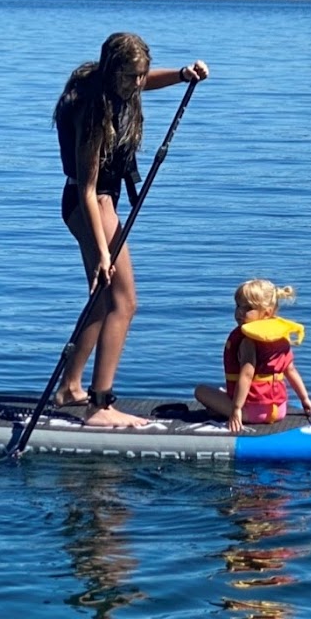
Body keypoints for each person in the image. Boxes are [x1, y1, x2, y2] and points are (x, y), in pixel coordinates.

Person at [53, 32, 209, 427]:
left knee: (103, 300)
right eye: (131, 77)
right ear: (111, 72)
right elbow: (88, 190)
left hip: (102, 204)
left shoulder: (120, 86)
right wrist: (104, 251)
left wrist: (181, 74)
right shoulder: (92, 111)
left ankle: (70, 388)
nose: (138, 84)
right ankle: (99, 406)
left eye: (141, 76)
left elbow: (149, 79)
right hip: (90, 204)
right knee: (124, 301)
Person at [195, 279, 311, 432]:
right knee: (225, 392)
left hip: (252, 413)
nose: (239, 312)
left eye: (247, 308)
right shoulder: (280, 336)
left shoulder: (248, 341)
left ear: (267, 312)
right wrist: (305, 399)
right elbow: (290, 370)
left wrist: (236, 410)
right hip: (279, 410)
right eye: (238, 306)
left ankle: (227, 407)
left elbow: (247, 375)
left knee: (200, 390)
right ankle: (226, 404)